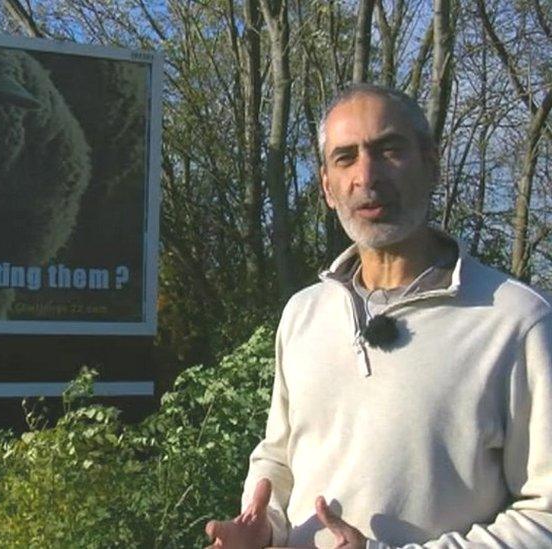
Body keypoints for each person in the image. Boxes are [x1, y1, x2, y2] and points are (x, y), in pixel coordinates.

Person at [205, 83, 552, 548]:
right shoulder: (304, 314)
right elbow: (280, 457)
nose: (366, 176)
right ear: (327, 186)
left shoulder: (515, 320)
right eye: (345, 158)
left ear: (432, 164)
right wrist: (264, 526)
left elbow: (543, 514)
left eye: (389, 150)